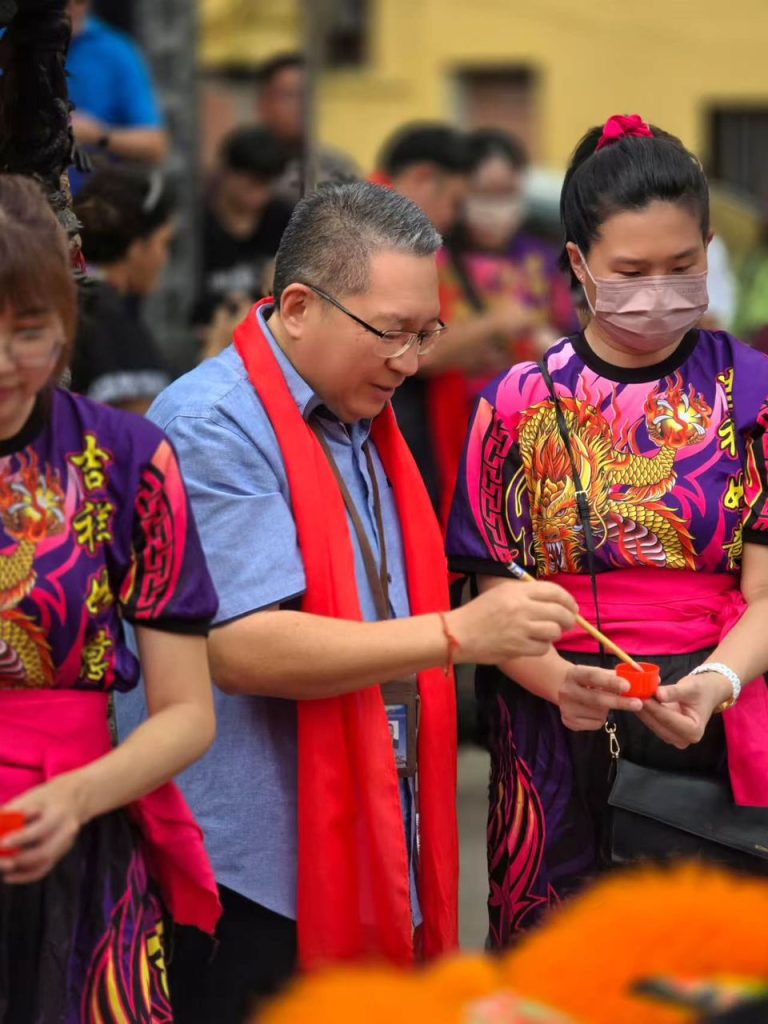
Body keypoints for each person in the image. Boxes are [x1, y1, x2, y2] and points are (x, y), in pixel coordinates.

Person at [116, 181, 583, 1023]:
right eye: (391, 332)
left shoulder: (359, 416)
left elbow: (381, 604)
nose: (411, 361)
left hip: (363, 824)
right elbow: (243, 647)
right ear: (299, 307)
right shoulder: (214, 423)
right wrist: (455, 633)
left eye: (426, 332)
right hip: (248, 863)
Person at [446, 113, 768, 948]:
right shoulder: (516, 404)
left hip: (719, 706)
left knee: (709, 965)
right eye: (631, 271)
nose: (658, 290)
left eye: (682, 266)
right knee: (559, 953)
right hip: (556, 724)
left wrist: (720, 681)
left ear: (709, 253)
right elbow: (493, 590)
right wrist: (559, 681)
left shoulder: (756, 393)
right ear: (580, 264)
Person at [0, 175, 220, 1021]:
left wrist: (77, 797)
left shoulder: (129, 460)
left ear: (66, 323)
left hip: (80, 830)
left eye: (29, 333)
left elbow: (186, 713)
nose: (6, 364)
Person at [429, 128, 578, 522]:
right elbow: (423, 348)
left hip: (534, 432)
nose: (497, 208)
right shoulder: (435, 260)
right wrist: (497, 326)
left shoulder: (544, 258)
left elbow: (571, 334)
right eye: (485, 193)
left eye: (507, 193)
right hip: (455, 429)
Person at [373, 123, 475, 505]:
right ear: (423, 178)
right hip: (389, 416)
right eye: (454, 201)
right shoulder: (375, 231)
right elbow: (415, 349)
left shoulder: (397, 229)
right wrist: (497, 325)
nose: (452, 217)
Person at [70, 164, 174, 413]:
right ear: (136, 247)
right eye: (164, 243)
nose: (166, 258)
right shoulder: (110, 320)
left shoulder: (71, 293)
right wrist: (215, 356)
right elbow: (144, 427)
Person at [193, 126, 293, 339]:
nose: (257, 195)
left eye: (265, 185)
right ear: (227, 172)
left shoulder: (283, 220)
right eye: (250, 184)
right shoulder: (197, 225)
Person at [66, 0, 168, 191]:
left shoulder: (117, 52)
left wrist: (98, 135)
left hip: (91, 195)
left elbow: (155, 145)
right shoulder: (12, 41)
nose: (68, 5)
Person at [255, 52, 359, 203]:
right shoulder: (243, 168)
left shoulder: (338, 169)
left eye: (308, 96)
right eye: (290, 95)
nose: (303, 105)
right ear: (263, 104)